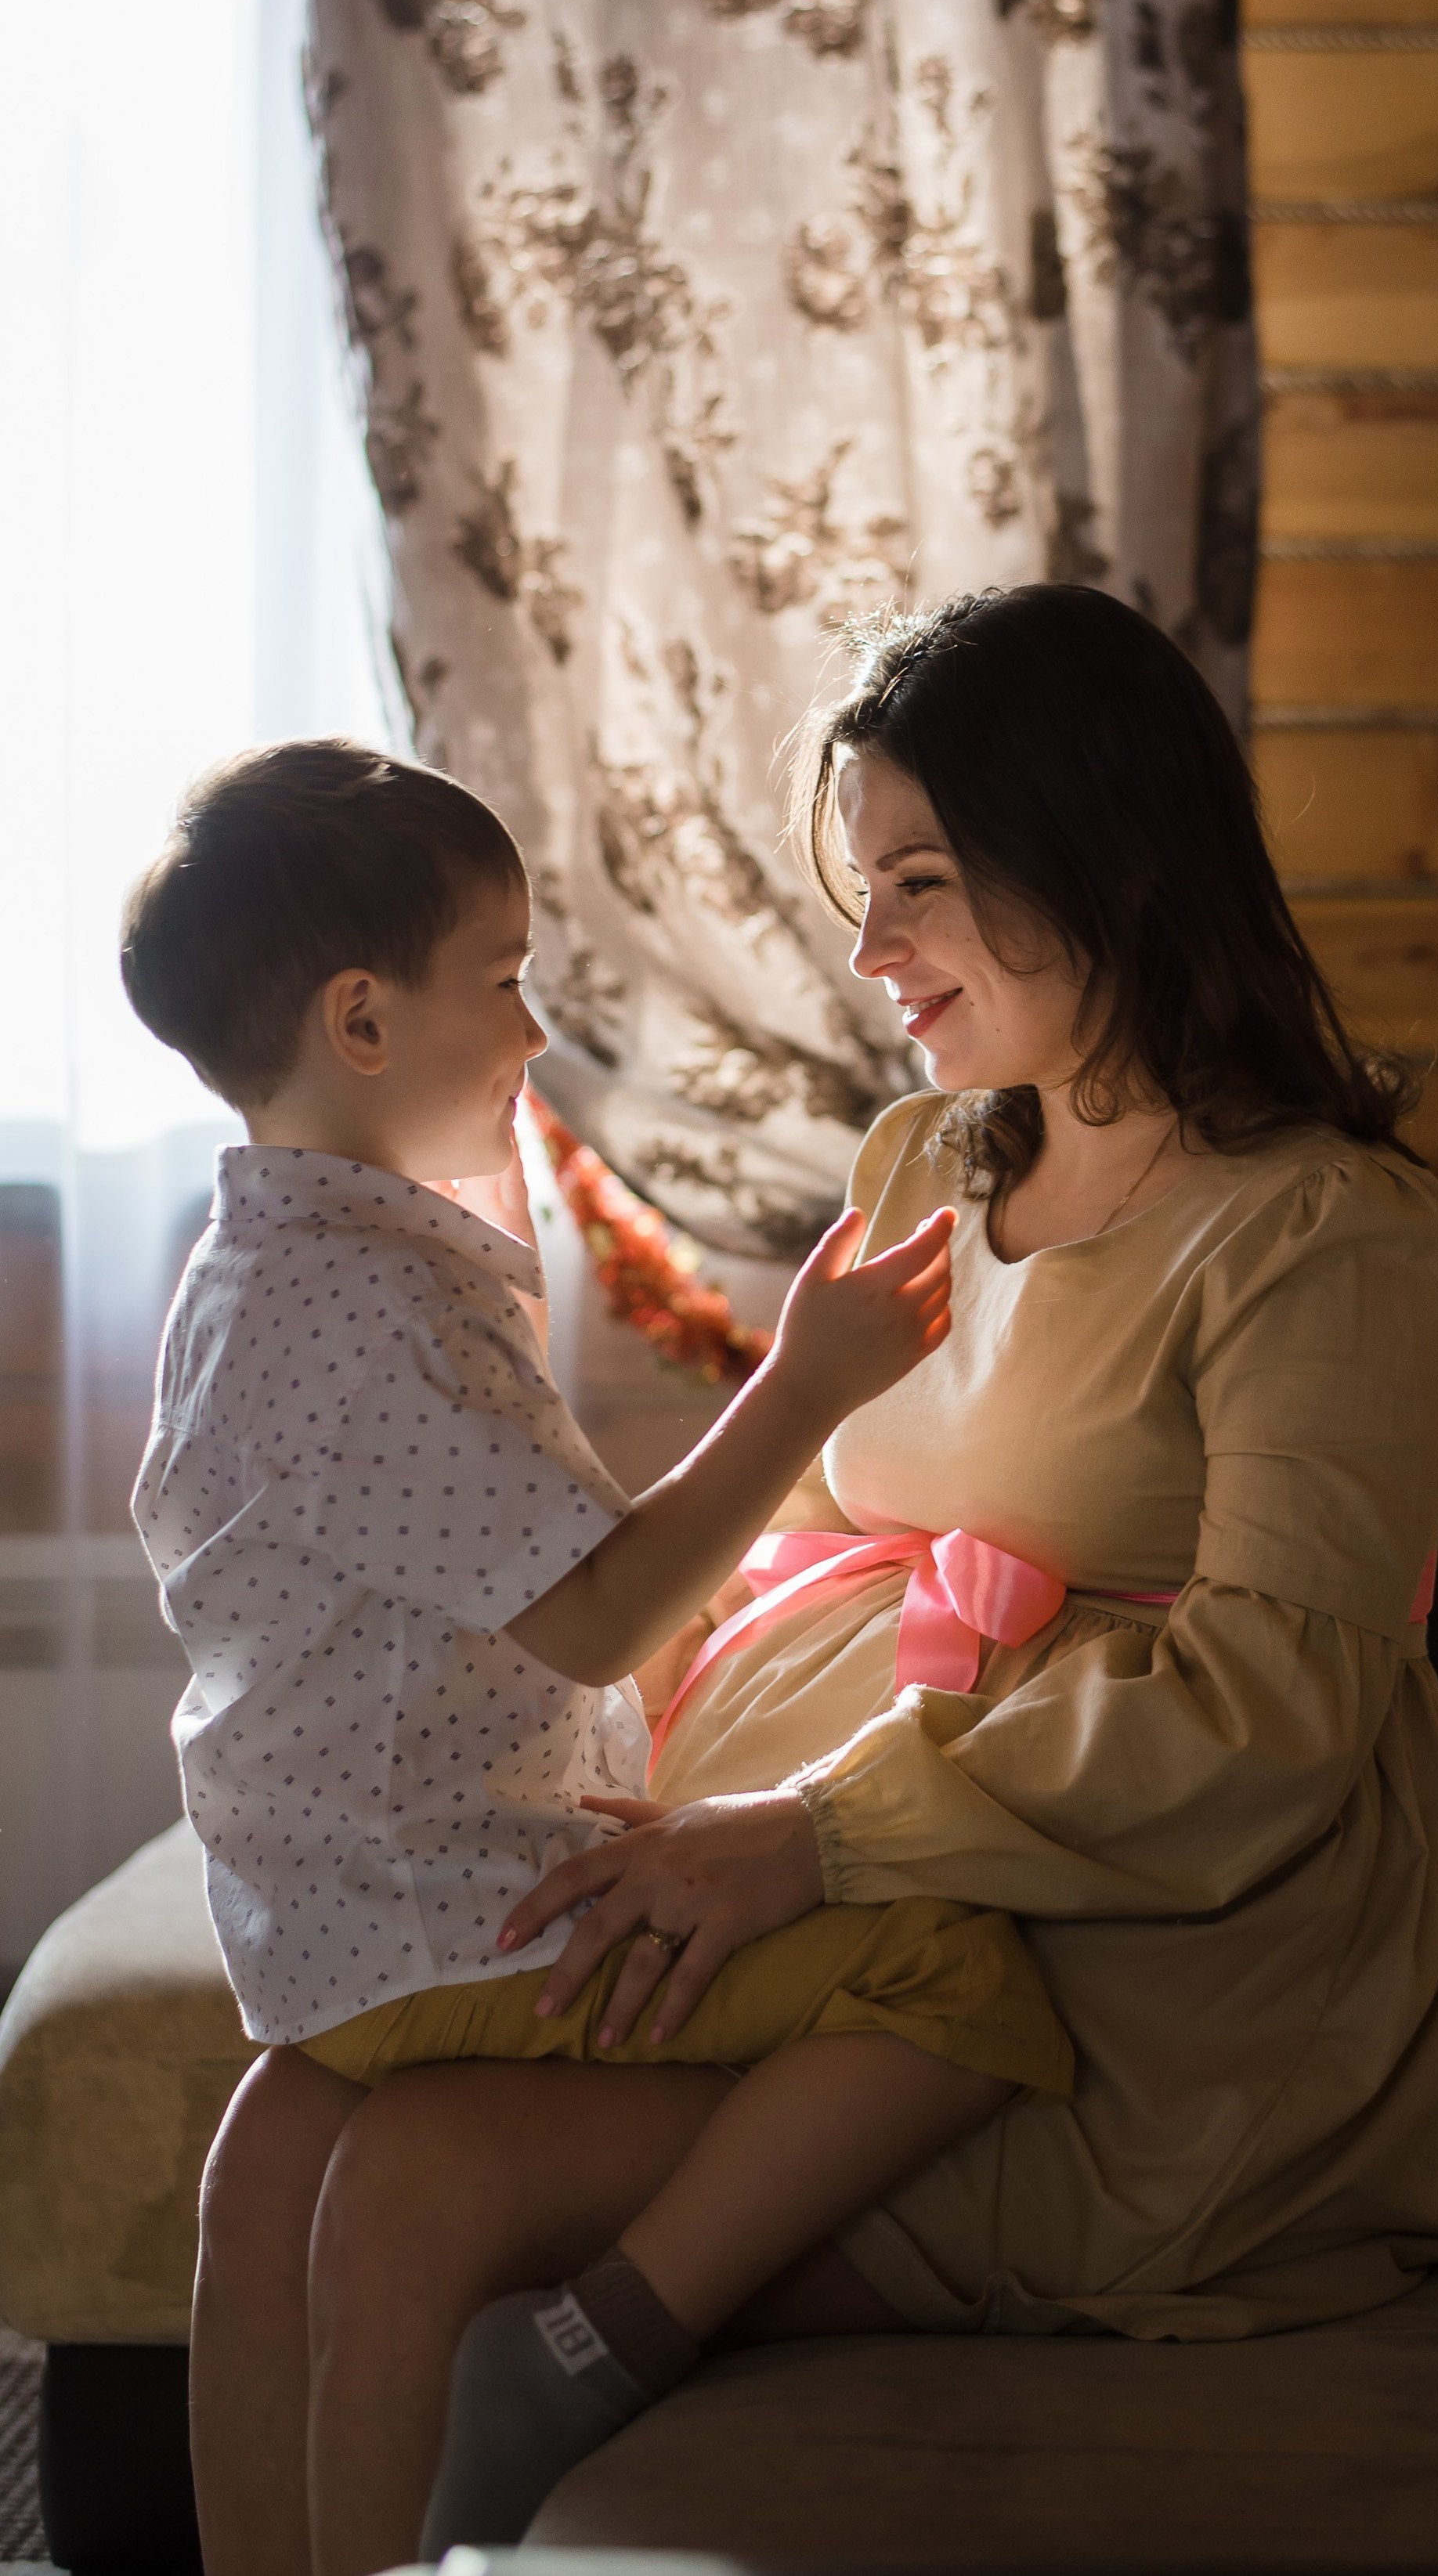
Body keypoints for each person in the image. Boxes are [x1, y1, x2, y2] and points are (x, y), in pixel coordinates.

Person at [191, 587, 1438, 2576]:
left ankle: (590, 2360)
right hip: (847, 1862)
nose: (868, 947)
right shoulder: (924, 1163)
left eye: (919, 882)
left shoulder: (1330, 1239)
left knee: (412, 2184)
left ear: (1105, 859)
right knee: (274, 2133)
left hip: (1150, 1958)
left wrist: (806, 1842)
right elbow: (782, 1531)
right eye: (864, 885)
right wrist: (627, 1795)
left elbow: (1270, 1718)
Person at [120, 741, 1075, 2568]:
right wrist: (803, 1382)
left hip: (324, 1916)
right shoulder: (366, 1310)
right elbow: (599, 1610)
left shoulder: (253, 1269)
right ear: (361, 1020)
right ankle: (609, 2336)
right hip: (446, 1911)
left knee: (270, 2177)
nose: (536, 1034)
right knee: (958, 1979)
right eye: (504, 982)